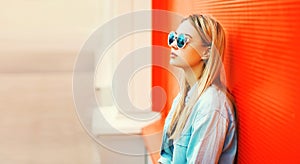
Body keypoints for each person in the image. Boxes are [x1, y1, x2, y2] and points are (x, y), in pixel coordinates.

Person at [158, 14, 237, 164]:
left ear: (206, 52)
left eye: (182, 40)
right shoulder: (183, 98)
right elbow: (167, 157)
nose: (173, 44)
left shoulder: (211, 105)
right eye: (173, 37)